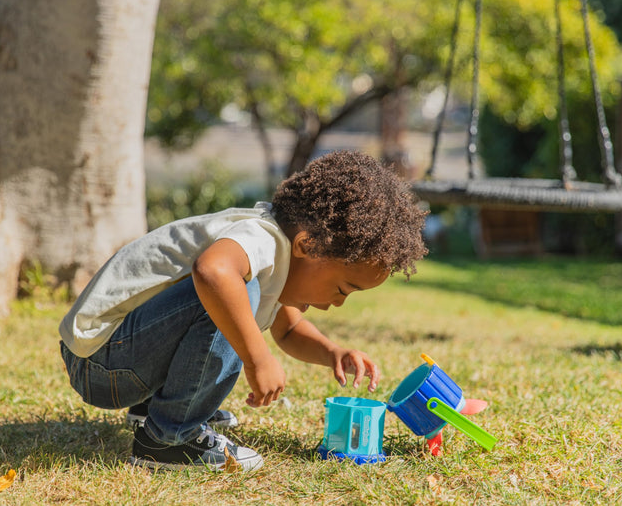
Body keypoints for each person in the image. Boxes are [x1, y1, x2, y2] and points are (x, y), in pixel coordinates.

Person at [58, 150, 427, 471]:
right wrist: (257, 358)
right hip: (101, 362)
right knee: (234, 291)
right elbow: (213, 272)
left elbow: (288, 329)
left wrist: (332, 352)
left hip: (118, 359)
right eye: (344, 288)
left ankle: (163, 408)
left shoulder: (277, 261)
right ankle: (168, 438)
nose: (339, 302)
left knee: (238, 295)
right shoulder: (261, 238)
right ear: (307, 246)